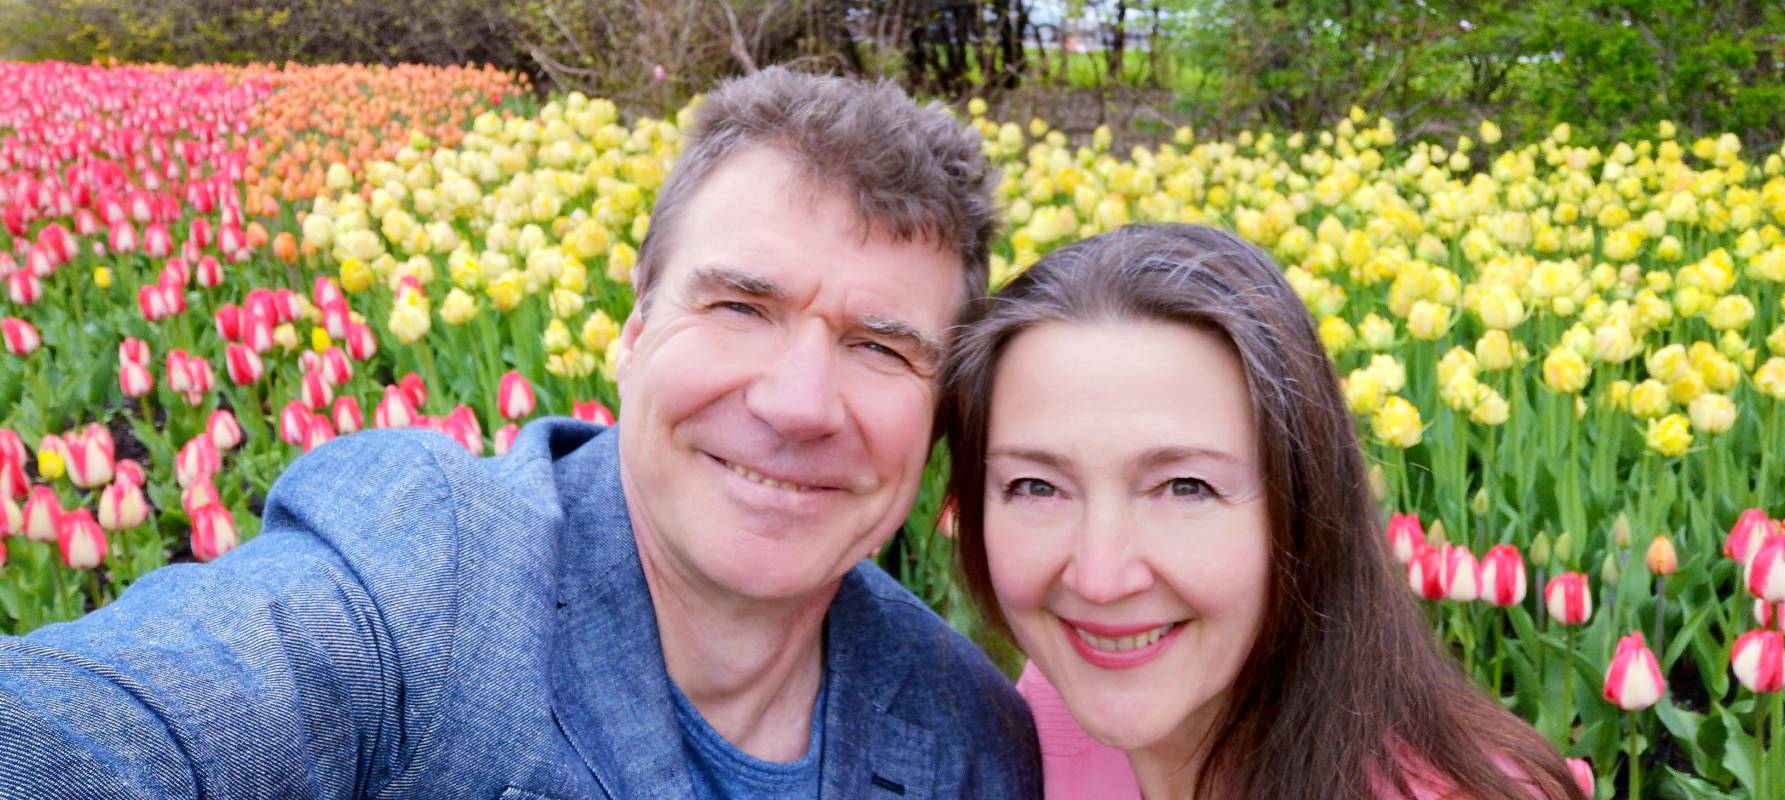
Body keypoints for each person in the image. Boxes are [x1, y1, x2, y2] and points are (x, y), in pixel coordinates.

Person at [0, 67, 1040, 799]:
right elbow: (131, 718)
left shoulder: (971, 735)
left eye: (880, 344)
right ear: (631, 337)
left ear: (941, 411)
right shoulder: (422, 574)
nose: (800, 401)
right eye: (739, 306)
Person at [941, 224, 1583, 800]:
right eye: (1036, 487)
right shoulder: (1058, 705)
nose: (1099, 581)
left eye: (1185, 487)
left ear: (1305, 507)